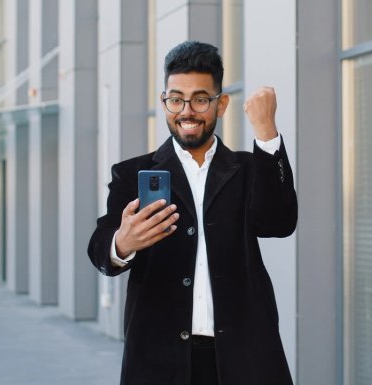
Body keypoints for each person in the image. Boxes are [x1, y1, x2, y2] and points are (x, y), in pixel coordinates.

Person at [87, 40, 297, 385]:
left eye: (200, 99)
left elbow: (278, 223)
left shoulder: (247, 168)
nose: (187, 111)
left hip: (245, 358)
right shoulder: (131, 174)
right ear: (164, 101)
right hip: (158, 360)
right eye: (176, 99)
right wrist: (122, 244)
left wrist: (267, 132)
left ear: (221, 103)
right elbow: (100, 251)